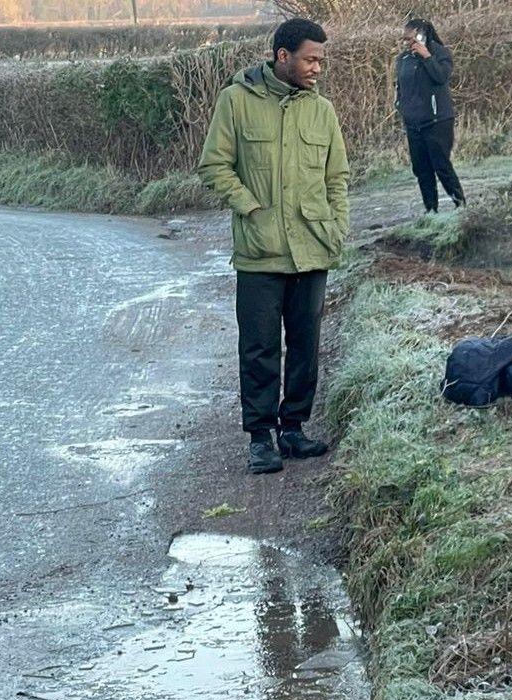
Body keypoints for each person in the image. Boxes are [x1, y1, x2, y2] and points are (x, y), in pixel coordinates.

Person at [197, 18, 350, 474]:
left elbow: (336, 177)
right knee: (260, 347)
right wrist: (252, 207)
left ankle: (293, 429)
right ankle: (260, 438)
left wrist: (337, 226)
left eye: (321, 59)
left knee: (305, 345)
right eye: (310, 58)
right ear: (283, 56)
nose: (318, 68)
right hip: (260, 251)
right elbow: (214, 166)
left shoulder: (322, 110)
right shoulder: (236, 101)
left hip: (312, 248)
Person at [397, 18, 465, 213]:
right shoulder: (402, 59)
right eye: (404, 39)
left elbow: (441, 77)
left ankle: (460, 204)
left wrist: (427, 57)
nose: (407, 43)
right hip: (414, 123)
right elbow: (401, 87)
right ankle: (431, 210)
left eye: (411, 39)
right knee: (421, 169)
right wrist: (402, 106)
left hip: (438, 120)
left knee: (441, 165)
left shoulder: (440, 53)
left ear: (421, 35)